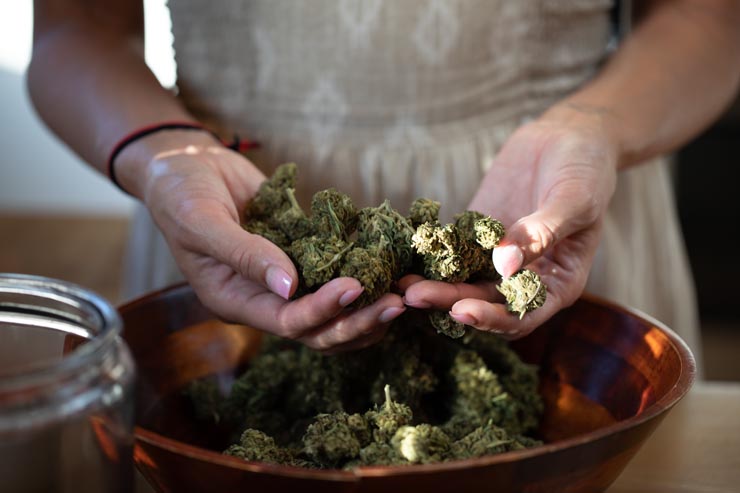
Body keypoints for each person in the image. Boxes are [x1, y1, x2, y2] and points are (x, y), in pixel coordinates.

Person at [28, 0, 740, 364]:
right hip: (232, 213)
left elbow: (709, 17)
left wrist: (595, 130)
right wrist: (162, 153)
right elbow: (73, 29)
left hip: (545, 206)